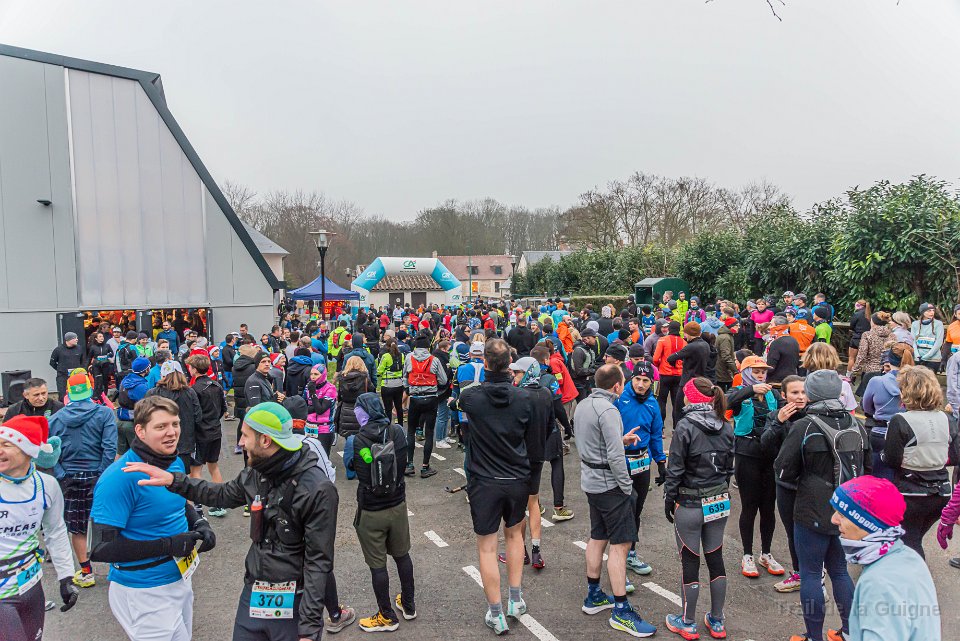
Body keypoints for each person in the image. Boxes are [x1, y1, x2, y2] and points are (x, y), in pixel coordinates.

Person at [124, 400, 355, 640]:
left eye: (245, 435)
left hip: (295, 600)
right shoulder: (258, 472)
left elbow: (318, 562)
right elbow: (222, 494)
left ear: (265, 440)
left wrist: (308, 630)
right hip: (254, 592)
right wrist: (173, 480)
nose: (240, 442)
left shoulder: (317, 489)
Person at [89, 396, 216, 641]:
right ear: (140, 431)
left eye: (175, 424)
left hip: (180, 579)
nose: (172, 433)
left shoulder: (173, 461)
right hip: (143, 591)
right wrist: (169, 545)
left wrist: (199, 522)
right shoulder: (119, 477)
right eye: (161, 427)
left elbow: (177, 502)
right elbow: (99, 548)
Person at [774, 370, 870, 641]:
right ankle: (849, 632)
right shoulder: (855, 423)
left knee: (811, 573)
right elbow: (869, 466)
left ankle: (814, 636)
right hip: (847, 507)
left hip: (812, 508)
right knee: (839, 571)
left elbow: (783, 470)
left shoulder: (805, 426)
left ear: (812, 393)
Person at [457, 339, 534, 635]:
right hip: (517, 478)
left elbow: (461, 402)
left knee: (487, 548)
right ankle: (515, 599)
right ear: (510, 363)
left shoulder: (471, 398)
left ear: (485, 363)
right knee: (515, 537)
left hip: (484, 481)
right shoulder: (525, 398)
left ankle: (496, 613)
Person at [575, 364, 657, 637]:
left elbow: (594, 442)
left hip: (591, 482)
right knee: (620, 546)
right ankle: (621, 611)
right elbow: (614, 457)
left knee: (598, 536)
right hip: (610, 485)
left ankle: (594, 595)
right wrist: (626, 487)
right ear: (617, 386)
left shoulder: (584, 404)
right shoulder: (609, 410)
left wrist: (620, 439)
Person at [662, 377, 733, 640]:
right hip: (718, 499)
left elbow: (675, 469)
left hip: (690, 502)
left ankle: (687, 621)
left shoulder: (685, 426)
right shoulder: (725, 425)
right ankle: (717, 620)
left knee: (690, 560)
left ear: (689, 397)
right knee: (716, 558)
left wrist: (669, 499)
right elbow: (728, 468)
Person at [0, 415, 79, 641]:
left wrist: (66, 576)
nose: (0, 450)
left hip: (31, 584)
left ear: (28, 450)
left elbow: (56, 531)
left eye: (7, 445)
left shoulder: (46, 484)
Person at [833, 476, 940, 641]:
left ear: (867, 523)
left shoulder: (879, 583)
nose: (833, 519)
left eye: (843, 514)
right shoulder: (908, 556)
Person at [346, 393, 416, 632]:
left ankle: (386, 615)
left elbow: (353, 471)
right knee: (402, 556)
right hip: (397, 505)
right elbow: (403, 463)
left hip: (371, 510)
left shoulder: (357, 440)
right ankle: (408, 605)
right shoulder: (397, 432)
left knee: (377, 565)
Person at [47, 370, 117, 588]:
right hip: (99, 475)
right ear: (89, 389)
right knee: (110, 522)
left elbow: (51, 453)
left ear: (68, 392)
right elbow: (110, 447)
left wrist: (61, 475)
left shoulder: (54, 419)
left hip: (70, 478)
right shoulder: (105, 414)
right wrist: (104, 474)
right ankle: (117, 567)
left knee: (77, 527)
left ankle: (86, 573)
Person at [882, 365, 959, 557]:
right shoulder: (947, 419)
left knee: (910, 542)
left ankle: (916, 574)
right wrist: (933, 456)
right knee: (913, 538)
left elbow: (891, 460)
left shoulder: (900, 420)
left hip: (911, 491)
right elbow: (955, 456)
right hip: (941, 491)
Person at [726, 355, 784, 579]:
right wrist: (751, 390)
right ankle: (747, 554)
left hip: (770, 455)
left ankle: (766, 553)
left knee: (768, 507)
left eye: (763, 372)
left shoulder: (773, 394)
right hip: (746, 453)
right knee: (749, 507)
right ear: (746, 373)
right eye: (756, 371)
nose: (761, 375)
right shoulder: (738, 392)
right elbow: (726, 403)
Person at [616, 361, 665, 577]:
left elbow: (655, 435)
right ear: (631, 379)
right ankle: (617, 562)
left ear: (651, 382)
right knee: (622, 510)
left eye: (646, 381)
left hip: (642, 462)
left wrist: (661, 463)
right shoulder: (619, 399)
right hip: (621, 460)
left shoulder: (653, 404)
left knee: (637, 510)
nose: (641, 384)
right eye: (637, 379)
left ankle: (631, 553)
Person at [759, 375, 807, 593]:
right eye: (795, 393)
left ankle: (814, 573)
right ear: (784, 395)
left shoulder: (813, 417)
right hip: (786, 483)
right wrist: (778, 422)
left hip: (810, 484)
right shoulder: (775, 416)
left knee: (813, 531)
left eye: (803, 392)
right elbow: (765, 446)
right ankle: (798, 572)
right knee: (792, 531)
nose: (800, 397)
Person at [530, 346, 574, 521]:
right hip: (550, 427)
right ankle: (558, 507)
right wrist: (568, 427)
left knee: (535, 467)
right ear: (546, 360)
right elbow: (558, 406)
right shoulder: (549, 379)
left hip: (530, 429)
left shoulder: (524, 379)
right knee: (557, 464)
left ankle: (535, 504)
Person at [402, 331, 448, 478]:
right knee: (429, 433)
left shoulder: (409, 358)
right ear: (428, 347)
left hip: (415, 398)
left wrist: (408, 389)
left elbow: (405, 377)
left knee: (410, 431)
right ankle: (425, 466)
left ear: (415, 346)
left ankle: (409, 465)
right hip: (431, 398)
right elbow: (443, 380)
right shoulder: (434, 360)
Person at [186, 354, 227, 517]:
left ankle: (197, 507)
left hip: (200, 433)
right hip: (215, 430)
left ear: (194, 369)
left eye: (190, 367)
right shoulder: (216, 385)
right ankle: (220, 503)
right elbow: (223, 408)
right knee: (213, 466)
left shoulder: (194, 389)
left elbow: (193, 414)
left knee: (196, 470)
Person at [146, 362, 203, 475]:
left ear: (163, 375)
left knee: (161, 477)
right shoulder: (190, 392)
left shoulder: (152, 393)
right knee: (181, 478)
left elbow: (145, 418)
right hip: (184, 443)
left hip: (159, 443)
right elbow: (198, 417)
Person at [849, 311, 894, 396]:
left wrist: (854, 371)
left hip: (870, 372)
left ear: (872, 322)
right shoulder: (892, 335)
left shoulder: (867, 335)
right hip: (887, 371)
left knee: (867, 398)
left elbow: (861, 355)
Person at [116, 357, 152, 457]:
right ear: (146, 370)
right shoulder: (141, 386)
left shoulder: (125, 380)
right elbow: (147, 405)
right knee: (139, 455)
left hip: (120, 421)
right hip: (133, 424)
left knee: (120, 455)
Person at [653, 321, 686, 426]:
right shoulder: (684, 342)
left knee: (661, 401)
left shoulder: (662, 340)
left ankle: (660, 427)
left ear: (669, 329)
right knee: (676, 403)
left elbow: (655, 358)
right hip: (679, 375)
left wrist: (659, 365)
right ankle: (676, 428)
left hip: (664, 374)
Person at [231, 340, 260, 454]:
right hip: (250, 396)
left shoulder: (235, 367)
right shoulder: (253, 367)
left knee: (242, 422)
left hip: (239, 397)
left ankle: (239, 444)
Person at [335, 356, 371, 439]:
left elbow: (340, 396)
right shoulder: (365, 379)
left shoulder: (342, 379)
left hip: (345, 411)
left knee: (348, 439)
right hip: (361, 410)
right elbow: (371, 394)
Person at [305, 364, 338, 455]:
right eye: (311, 374)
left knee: (322, 456)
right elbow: (303, 407)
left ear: (323, 375)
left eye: (316, 374)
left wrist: (313, 394)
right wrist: (318, 403)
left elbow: (320, 410)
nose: (313, 377)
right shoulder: (308, 387)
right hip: (309, 426)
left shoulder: (330, 388)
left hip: (324, 428)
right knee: (309, 456)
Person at [376, 339, 405, 427]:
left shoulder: (385, 356)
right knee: (399, 407)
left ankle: (388, 428)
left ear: (387, 346)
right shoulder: (402, 355)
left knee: (388, 409)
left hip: (387, 384)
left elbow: (379, 371)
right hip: (399, 384)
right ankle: (400, 426)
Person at [49, 332, 84, 401]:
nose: (77, 339)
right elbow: (52, 362)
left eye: (77, 338)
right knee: (62, 395)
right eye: (74, 338)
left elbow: (82, 361)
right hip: (62, 376)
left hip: (76, 375)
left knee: (77, 394)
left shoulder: (79, 348)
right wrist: (61, 370)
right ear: (68, 340)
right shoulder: (58, 350)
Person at [912, 302, 945, 371]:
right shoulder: (915, 324)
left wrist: (926, 357)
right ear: (923, 312)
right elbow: (913, 341)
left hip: (933, 359)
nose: (932, 312)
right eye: (929, 311)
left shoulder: (938, 324)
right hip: (918, 358)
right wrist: (917, 355)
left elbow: (938, 342)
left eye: (933, 310)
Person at [765, 317, 799, 383]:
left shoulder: (776, 342)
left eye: (771, 324)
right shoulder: (794, 340)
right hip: (791, 378)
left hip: (775, 380)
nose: (769, 327)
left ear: (778, 327)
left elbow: (771, 365)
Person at [87, 331, 115, 400]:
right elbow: (89, 357)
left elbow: (112, 353)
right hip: (96, 366)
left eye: (102, 336)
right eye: (100, 337)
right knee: (97, 380)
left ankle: (105, 395)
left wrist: (108, 355)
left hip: (105, 365)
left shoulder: (107, 345)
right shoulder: (93, 347)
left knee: (105, 380)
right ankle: (96, 396)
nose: (102, 338)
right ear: (96, 339)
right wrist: (86, 366)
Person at [715, 318, 738, 391]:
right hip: (723, 370)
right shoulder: (725, 338)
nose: (739, 327)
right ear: (731, 326)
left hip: (723, 369)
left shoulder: (727, 335)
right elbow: (726, 356)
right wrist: (735, 371)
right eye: (737, 325)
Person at [846, 299, 871, 369]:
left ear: (858, 305)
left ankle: (849, 374)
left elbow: (851, 326)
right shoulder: (869, 315)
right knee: (865, 359)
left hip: (857, 338)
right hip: (867, 339)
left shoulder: (857, 314)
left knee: (851, 358)